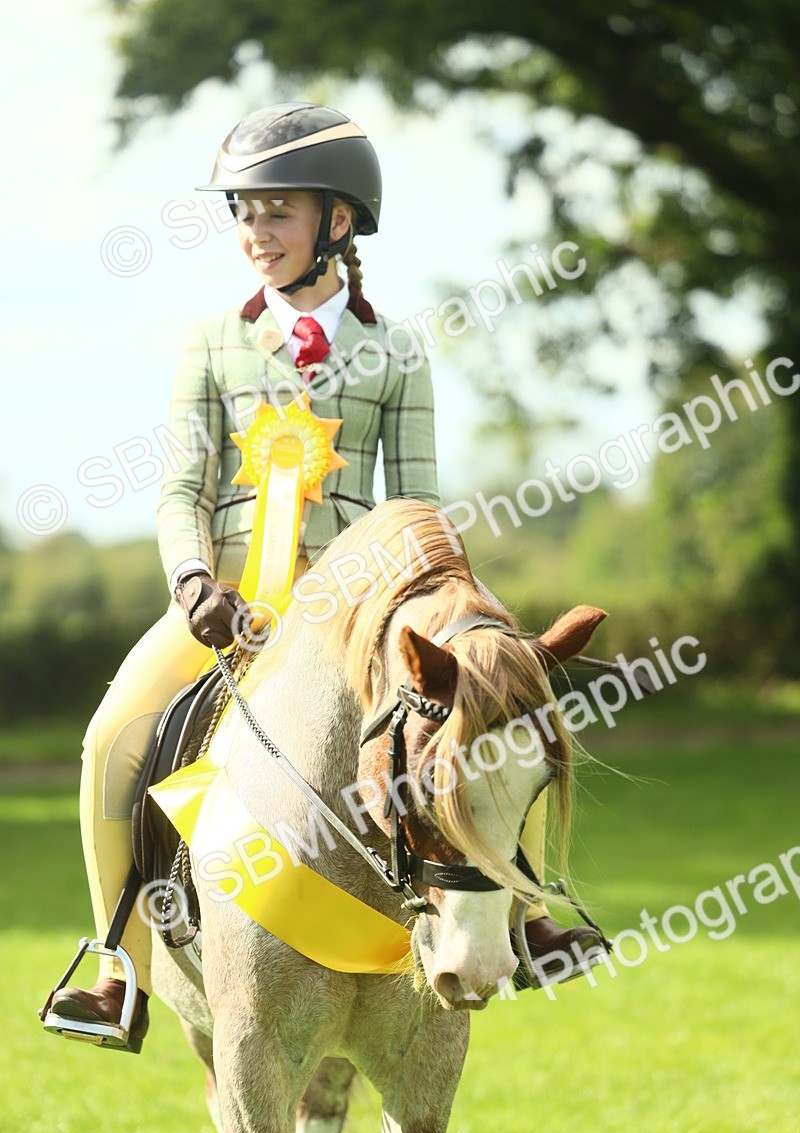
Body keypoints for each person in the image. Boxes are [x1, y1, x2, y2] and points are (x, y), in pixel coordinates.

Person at [43, 102, 603, 1053]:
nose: (255, 232)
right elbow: (182, 488)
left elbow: (416, 503)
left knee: (500, 701)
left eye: (278, 211)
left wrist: (424, 606)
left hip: (355, 607)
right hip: (228, 602)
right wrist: (193, 581)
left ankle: (530, 915)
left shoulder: (398, 350)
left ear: (337, 221)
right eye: (244, 213)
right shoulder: (211, 340)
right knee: (108, 740)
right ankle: (118, 968)